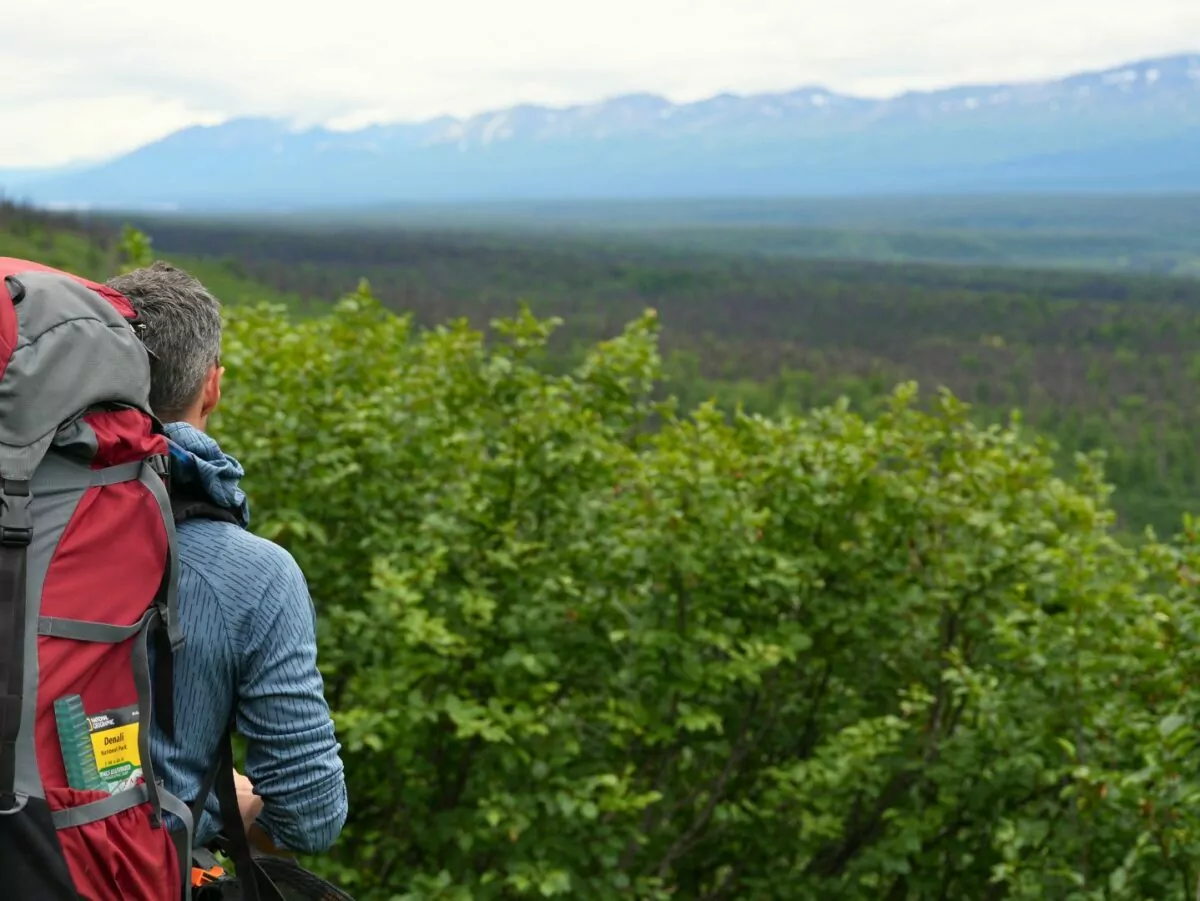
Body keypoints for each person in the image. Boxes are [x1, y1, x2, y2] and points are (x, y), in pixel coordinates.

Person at [107, 261, 348, 857]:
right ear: (212, 385)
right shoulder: (257, 575)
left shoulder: (21, 521)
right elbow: (310, 816)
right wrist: (216, 808)